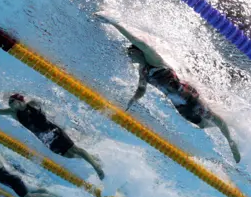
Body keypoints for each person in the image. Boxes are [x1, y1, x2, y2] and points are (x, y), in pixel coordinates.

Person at [96, 13, 241, 163]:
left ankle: (231, 142)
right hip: (178, 104)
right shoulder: (143, 70)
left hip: (186, 95)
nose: (129, 56)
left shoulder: (154, 60)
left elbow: (139, 43)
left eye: (131, 53)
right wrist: (133, 99)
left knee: (212, 117)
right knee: (203, 125)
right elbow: (141, 88)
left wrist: (114, 23)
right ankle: (230, 123)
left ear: (138, 52)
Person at [0, 96, 105, 180]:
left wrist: (56, 116)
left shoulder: (32, 103)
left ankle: (96, 166)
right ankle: (93, 158)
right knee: (68, 155)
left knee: (76, 150)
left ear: (20, 100)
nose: (10, 105)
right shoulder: (13, 113)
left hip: (54, 130)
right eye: (10, 104)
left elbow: (46, 105)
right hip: (45, 139)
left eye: (12, 102)